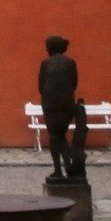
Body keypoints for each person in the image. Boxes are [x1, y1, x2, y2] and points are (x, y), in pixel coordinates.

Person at [38, 35, 79, 180]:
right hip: (66, 102)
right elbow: (74, 84)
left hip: (50, 102)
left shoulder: (46, 63)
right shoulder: (70, 62)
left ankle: (58, 169)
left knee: (55, 136)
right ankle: (68, 164)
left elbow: (41, 85)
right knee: (61, 135)